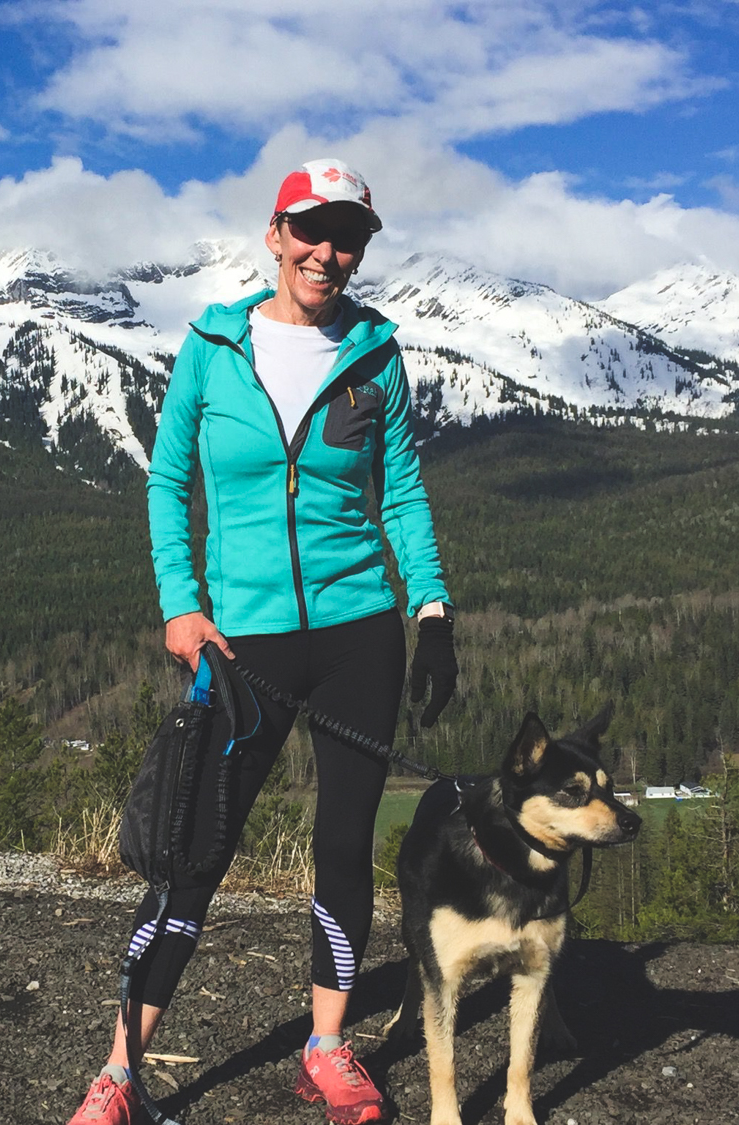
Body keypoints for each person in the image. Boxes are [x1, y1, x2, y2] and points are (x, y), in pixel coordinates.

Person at [67, 158, 459, 1125]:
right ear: (276, 235)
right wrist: (180, 604)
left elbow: (401, 490)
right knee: (192, 850)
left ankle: (326, 1049)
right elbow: (167, 485)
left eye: (350, 238)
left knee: (341, 844)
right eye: (312, 231)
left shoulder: (376, 352)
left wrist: (433, 611)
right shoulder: (212, 343)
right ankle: (120, 1070)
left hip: (361, 632)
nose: (330, 252)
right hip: (239, 644)